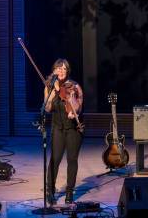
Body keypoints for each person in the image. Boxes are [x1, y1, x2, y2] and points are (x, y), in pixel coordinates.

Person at [44, 58, 84, 205]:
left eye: (63, 69)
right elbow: (47, 108)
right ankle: (50, 191)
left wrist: (73, 111)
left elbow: (78, 106)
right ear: (54, 70)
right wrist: (54, 91)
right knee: (55, 159)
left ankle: (69, 192)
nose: (60, 71)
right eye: (58, 68)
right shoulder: (49, 87)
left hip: (73, 128)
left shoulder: (74, 86)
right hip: (57, 128)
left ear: (67, 71)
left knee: (72, 160)